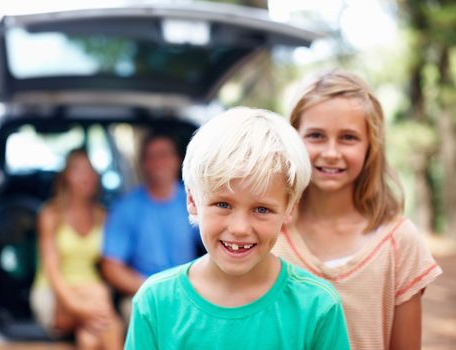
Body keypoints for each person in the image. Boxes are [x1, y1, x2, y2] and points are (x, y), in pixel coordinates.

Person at [125, 107, 351, 349]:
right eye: (223, 204)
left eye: (262, 209)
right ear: (192, 201)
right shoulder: (156, 302)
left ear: (290, 209)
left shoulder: (317, 307)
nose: (240, 228)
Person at [272, 69, 443, 350]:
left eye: (348, 138)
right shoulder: (270, 233)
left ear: (370, 146)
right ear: (294, 139)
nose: (331, 152)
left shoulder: (399, 242)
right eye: (315, 135)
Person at [30, 149, 124, 350]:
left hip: (93, 294)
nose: (86, 176)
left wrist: (90, 310)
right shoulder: (50, 214)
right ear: (66, 177)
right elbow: (53, 272)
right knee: (106, 316)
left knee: (90, 338)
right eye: (78, 170)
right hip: (54, 292)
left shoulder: (103, 215)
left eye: (90, 170)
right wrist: (80, 307)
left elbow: (110, 263)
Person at [101, 132, 200, 318]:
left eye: (164, 155)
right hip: (143, 292)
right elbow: (111, 267)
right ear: (143, 164)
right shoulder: (126, 208)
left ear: (177, 160)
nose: (158, 162)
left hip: (190, 290)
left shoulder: (194, 201)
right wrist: (156, 291)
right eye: (151, 157)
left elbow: (215, 243)